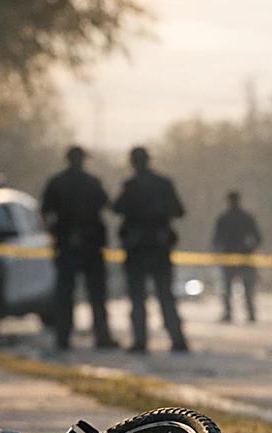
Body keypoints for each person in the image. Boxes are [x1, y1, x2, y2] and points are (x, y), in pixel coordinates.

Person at [111, 146, 189, 353]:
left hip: (138, 249)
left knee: (139, 298)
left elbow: (116, 208)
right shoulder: (163, 184)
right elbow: (179, 211)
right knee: (165, 296)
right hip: (158, 248)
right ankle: (177, 339)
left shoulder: (132, 186)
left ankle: (141, 341)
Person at [40, 146, 118, 351]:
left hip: (68, 245)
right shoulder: (92, 183)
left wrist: (54, 234)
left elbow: (45, 214)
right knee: (96, 295)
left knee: (65, 294)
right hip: (90, 245)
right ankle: (101, 336)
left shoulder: (57, 183)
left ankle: (63, 337)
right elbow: (109, 206)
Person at [211, 190, 263, 323]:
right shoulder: (246, 218)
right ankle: (249, 313)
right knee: (247, 288)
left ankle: (230, 313)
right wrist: (250, 248)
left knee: (228, 288)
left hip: (230, 256)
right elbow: (258, 237)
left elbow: (216, 240)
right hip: (244, 256)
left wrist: (218, 252)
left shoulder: (224, 219)